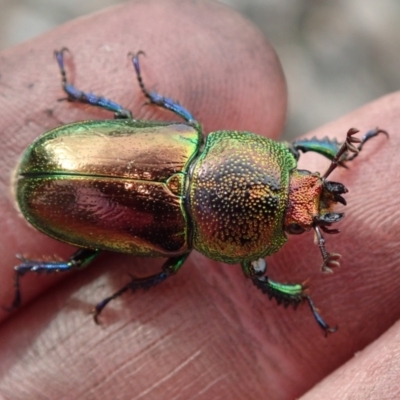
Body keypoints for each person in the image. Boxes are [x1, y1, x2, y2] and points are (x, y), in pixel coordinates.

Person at [0, 1, 398, 399]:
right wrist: (300, 295)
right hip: (55, 171)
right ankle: (69, 100)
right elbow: (259, 275)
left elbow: (293, 156)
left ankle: (72, 96)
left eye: (298, 219)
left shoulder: (187, 138)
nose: (308, 202)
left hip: (64, 171)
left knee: (125, 118)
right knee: (83, 255)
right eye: (298, 214)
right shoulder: (179, 214)